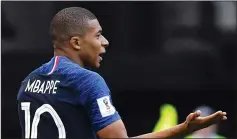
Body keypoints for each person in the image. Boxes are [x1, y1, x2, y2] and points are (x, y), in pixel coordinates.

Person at [17, 7, 227, 139]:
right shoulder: (88, 81)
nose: (105, 41)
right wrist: (183, 129)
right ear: (76, 42)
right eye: (98, 35)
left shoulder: (28, 82)